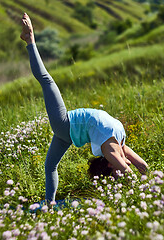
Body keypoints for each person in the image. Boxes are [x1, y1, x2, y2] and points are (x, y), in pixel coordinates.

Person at [20, 13, 148, 202]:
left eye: (116, 174)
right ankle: (30, 39)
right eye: (118, 172)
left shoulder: (113, 146)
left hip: (67, 129)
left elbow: (139, 167)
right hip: (66, 125)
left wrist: (144, 186)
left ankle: (49, 206)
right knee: (46, 80)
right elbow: (137, 168)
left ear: (110, 166)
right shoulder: (115, 147)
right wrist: (146, 194)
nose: (120, 169)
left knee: (50, 167)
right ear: (112, 165)